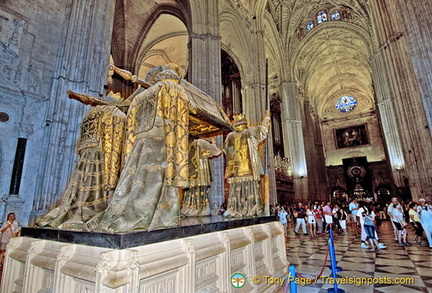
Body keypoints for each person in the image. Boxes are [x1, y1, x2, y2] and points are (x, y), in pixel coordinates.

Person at [93, 63, 191, 231]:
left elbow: (131, 120)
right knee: (156, 181)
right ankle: (153, 217)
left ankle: (121, 214)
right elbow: (180, 120)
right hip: (161, 141)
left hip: (139, 144)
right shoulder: (173, 88)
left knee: (135, 181)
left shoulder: (143, 94)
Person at [35, 69, 127, 230]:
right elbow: (116, 144)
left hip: (85, 153)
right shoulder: (115, 114)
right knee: (98, 187)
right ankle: (94, 211)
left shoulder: (91, 112)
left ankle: (74, 211)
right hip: (103, 155)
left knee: (80, 184)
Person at [223, 111, 271, 217]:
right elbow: (263, 131)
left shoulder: (230, 136)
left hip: (234, 170)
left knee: (236, 189)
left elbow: (225, 150)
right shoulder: (250, 131)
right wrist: (266, 118)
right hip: (248, 167)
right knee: (250, 188)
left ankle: (235, 208)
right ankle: (251, 208)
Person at [181, 138, 221, 216]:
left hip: (190, 171)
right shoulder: (201, 142)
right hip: (201, 170)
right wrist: (213, 143)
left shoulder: (187, 144)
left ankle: (191, 207)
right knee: (200, 190)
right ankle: (200, 208)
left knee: (192, 191)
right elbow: (216, 151)